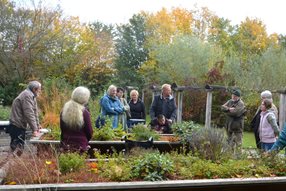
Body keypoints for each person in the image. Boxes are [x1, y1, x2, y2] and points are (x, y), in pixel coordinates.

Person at [9, 81, 42, 154]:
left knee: (20, 148)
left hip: (20, 125)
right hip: (16, 125)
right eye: (39, 89)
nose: (40, 91)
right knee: (17, 148)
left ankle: (14, 163)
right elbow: (29, 113)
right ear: (34, 89)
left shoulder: (32, 96)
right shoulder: (27, 95)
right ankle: (11, 163)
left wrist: (37, 126)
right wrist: (34, 130)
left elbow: (35, 112)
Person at [60, 86, 93, 153]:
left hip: (66, 144)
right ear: (85, 98)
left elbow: (62, 129)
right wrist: (85, 140)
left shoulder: (64, 110)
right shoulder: (84, 112)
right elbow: (89, 132)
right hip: (81, 145)